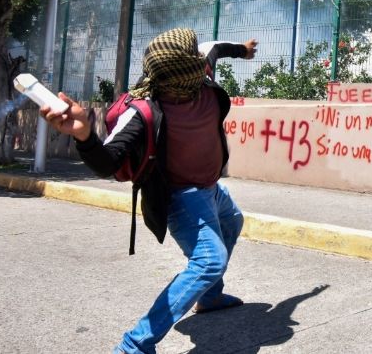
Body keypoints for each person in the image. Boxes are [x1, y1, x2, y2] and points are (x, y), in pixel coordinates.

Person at [41, 28, 257, 354]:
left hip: (212, 187)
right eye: (195, 68)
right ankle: (135, 345)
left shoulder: (201, 72)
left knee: (233, 221)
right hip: (182, 198)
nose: (202, 67)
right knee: (210, 261)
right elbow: (109, 162)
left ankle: (210, 297)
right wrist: (85, 134)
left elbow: (215, 47)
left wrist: (243, 50)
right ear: (180, 73)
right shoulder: (141, 111)